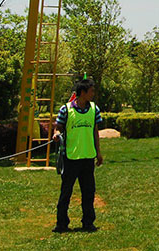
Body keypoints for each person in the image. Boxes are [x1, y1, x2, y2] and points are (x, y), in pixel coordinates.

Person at [53, 79, 104, 234]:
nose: (93, 93)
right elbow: (58, 127)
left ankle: (88, 222)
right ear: (83, 92)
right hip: (71, 158)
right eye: (91, 91)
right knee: (66, 193)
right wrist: (56, 134)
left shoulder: (94, 109)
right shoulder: (66, 109)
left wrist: (98, 152)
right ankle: (62, 224)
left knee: (89, 192)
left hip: (88, 157)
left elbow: (95, 131)